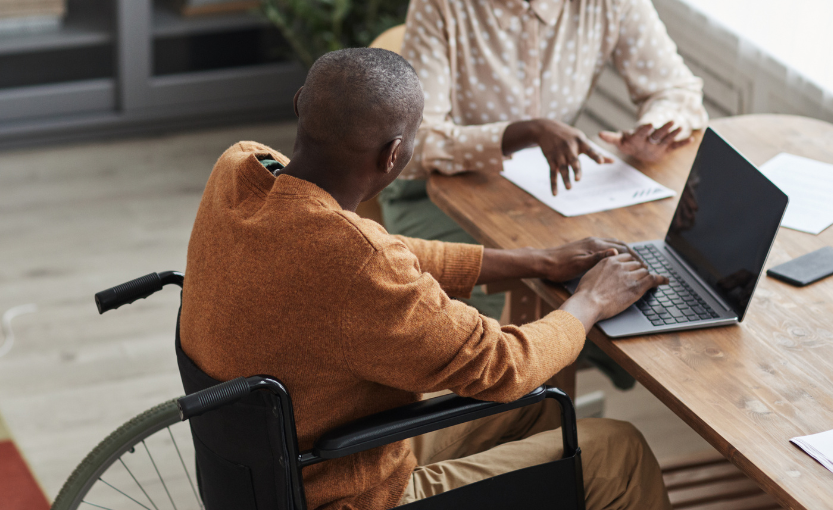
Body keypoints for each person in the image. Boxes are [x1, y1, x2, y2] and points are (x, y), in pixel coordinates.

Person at [181, 47, 672, 510]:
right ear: (394, 153)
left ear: (299, 106)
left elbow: (370, 249)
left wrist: (536, 261)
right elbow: (504, 364)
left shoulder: (241, 168)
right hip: (352, 493)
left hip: (275, 468)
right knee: (617, 451)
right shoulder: (356, 263)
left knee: (538, 409)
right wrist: (592, 300)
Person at [382, 0, 708, 383]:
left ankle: (554, 419)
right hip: (435, 194)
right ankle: (533, 425)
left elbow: (676, 89)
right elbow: (418, 144)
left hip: (552, 196)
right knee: (561, 291)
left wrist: (655, 127)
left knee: (625, 272)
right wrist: (523, 132)